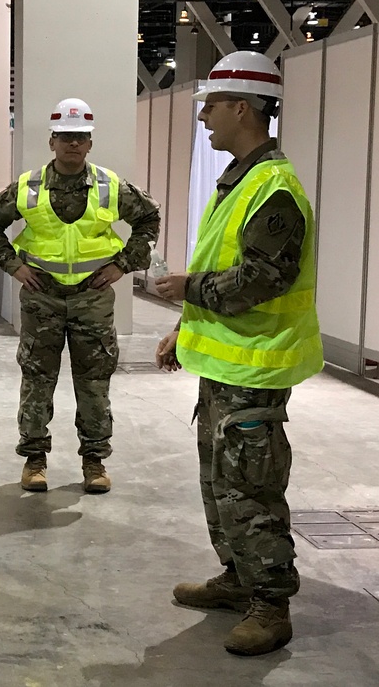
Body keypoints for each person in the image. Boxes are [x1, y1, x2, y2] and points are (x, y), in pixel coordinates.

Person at [154, 51, 323, 657]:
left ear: (242, 108)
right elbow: (223, 269)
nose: (203, 118)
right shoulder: (239, 181)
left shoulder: (272, 188)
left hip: (257, 368)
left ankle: (270, 605)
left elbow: (260, 279)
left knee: (252, 489)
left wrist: (184, 289)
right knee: (221, 485)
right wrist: (185, 325)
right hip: (226, 365)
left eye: (211, 106)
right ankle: (237, 578)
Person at [0, 98, 161, 494]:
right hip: (41, 300)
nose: (73, 144)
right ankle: (34, 460)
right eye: (65, 137)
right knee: (37, 380)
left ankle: (94, 462)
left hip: (92, 301)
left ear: (90, 143)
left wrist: (123, 265)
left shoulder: (111, 187)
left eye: (80, 137)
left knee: (94, 383)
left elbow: (149, 218)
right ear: (52, 141)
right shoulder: (27, 188)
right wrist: (14, 266)